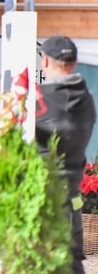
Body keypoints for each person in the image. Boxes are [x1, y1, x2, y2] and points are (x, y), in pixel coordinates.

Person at [35, 35, 96, 274]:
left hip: (41, 200)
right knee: (71, 265)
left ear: (45, 62)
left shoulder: (39, 100)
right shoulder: (87, 100)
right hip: (71, 199)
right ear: (76, 62)